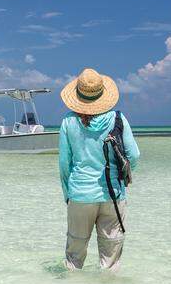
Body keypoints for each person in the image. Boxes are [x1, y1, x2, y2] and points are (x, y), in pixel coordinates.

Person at [58, 68, 141, 271]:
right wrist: (122, 178)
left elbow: (64, 164)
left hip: (80, 194)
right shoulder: (118, 119)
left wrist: (68, 193)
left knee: (74, 258)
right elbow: (134, 155)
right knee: (110, 261)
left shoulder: (69, 121)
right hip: (113, 195)